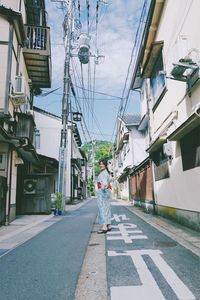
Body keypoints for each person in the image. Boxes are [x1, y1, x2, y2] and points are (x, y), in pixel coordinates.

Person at [97, 160, 112, 234]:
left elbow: (104, 183)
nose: (101, 165)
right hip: (107, 192)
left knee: (102, 208)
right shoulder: (107, 173)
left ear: (105, 165)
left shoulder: (103, 173)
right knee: (107, 208)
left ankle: (104, 226)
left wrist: (103, 187)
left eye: (102, 164)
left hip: (103, 192)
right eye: (100, 164)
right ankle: (109, 225)